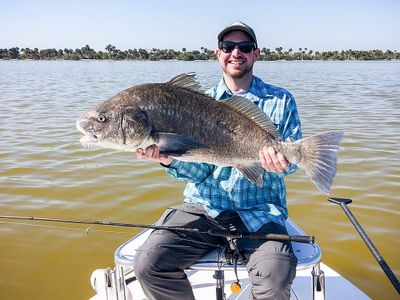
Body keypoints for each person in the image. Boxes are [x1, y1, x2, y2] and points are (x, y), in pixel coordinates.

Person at [134, 21, 302, 300]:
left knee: (275, 278)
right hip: (205, 208)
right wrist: (168, 160)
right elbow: (199, 171)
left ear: (256, 53)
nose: (236, 53)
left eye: (244, 47)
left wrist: (283, 163)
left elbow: (293, 164)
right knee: (149, 265)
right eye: (228, 47)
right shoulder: (196, 101)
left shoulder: (281, 100)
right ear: (218, 53)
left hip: (261, 212)